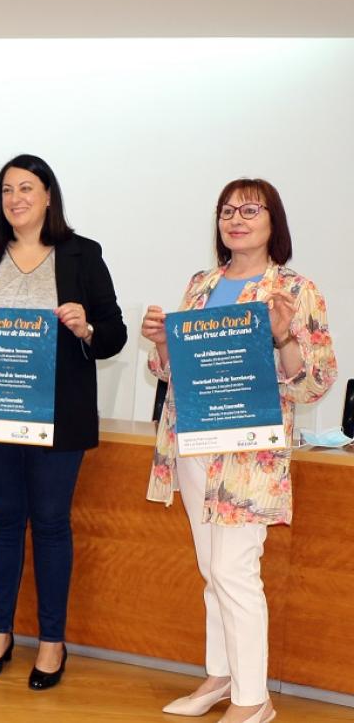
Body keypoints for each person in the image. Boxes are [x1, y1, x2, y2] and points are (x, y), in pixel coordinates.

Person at [142, 179, 336, 723]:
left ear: (274, 220)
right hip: (194, 444)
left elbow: (314, 382)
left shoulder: (294, 290)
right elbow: (174, 373)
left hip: (250, 454)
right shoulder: (202, 284)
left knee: (235, 570)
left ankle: (254, 700)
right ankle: (221, 676)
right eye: (227, 210)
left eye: (250, 209)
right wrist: (161, 343)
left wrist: (282, 337)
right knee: (213, 570)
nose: (236, 218)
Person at [0, 154, 126, 689]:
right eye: (6, 190)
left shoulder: (81, 255)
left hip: (57, 418)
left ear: (49, 196)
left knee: (49, 524)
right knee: (2, 521)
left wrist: (86, 327)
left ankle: (52, 641)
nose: (16, 198)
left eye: (27, 188)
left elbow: (113, 333)